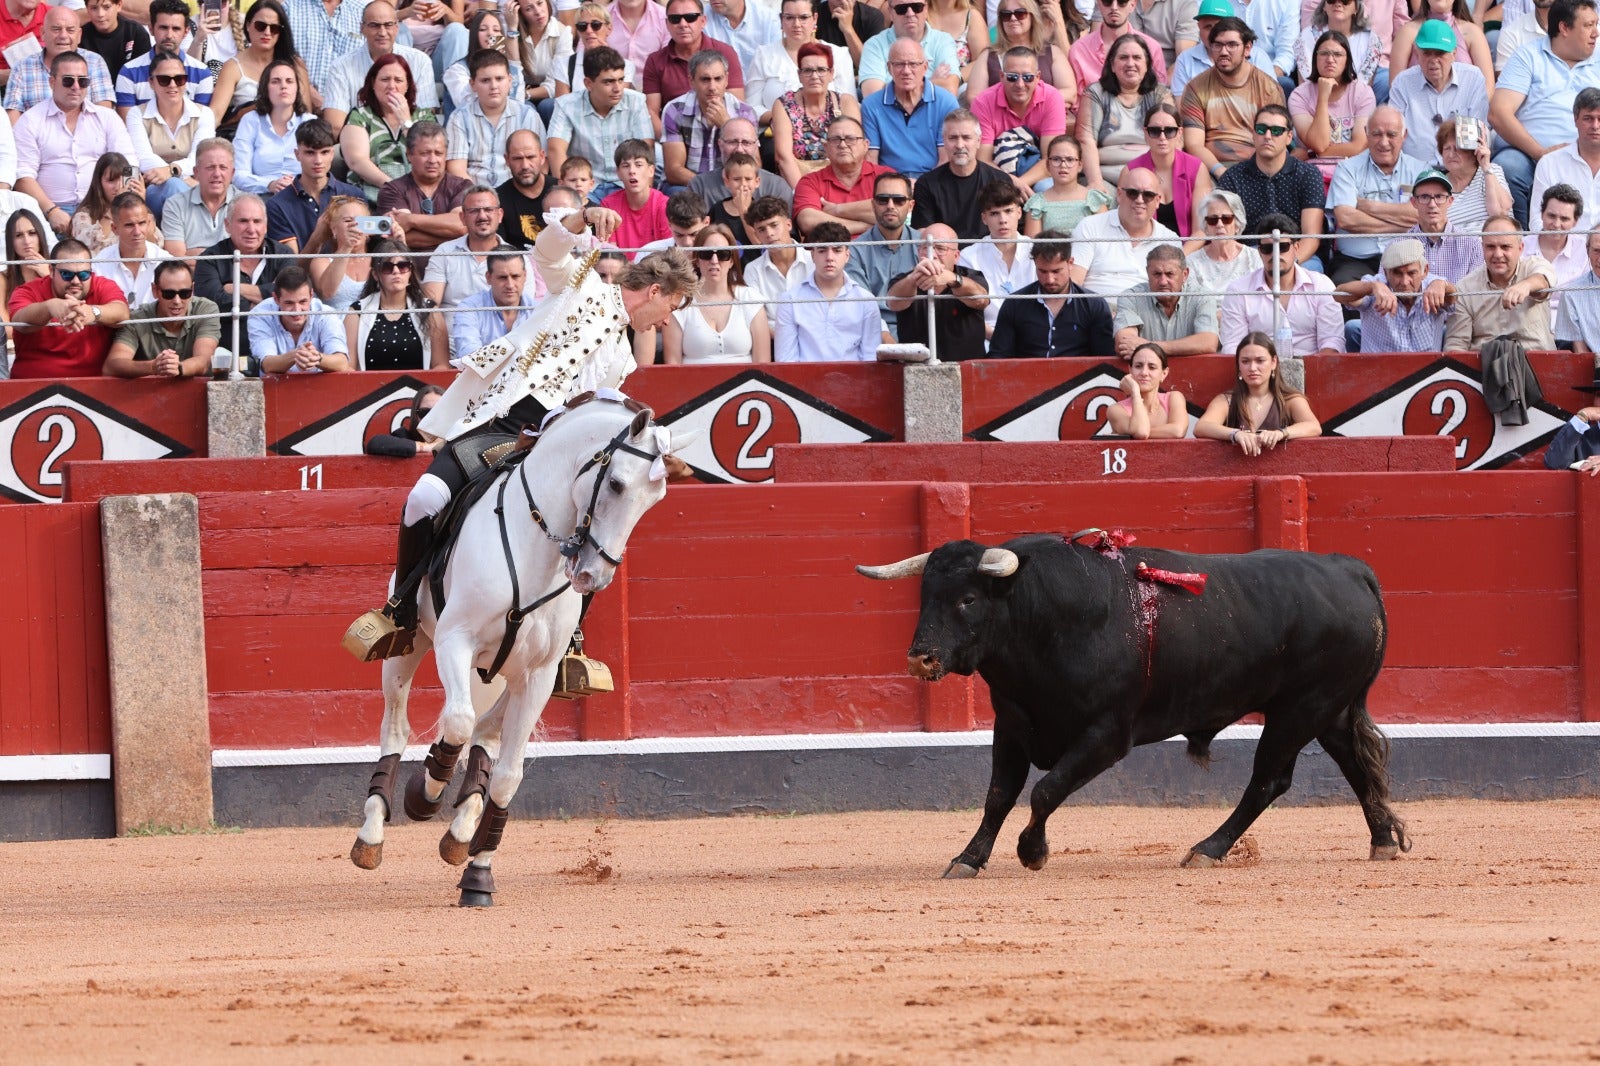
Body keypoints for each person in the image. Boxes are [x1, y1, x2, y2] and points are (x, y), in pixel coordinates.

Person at [362, 206, 698, 658]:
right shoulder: (583, 287)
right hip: (498, 424)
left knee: (601, 527)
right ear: (656, 291)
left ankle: (569, 646)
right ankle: (400, 609)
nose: (664, 323)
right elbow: (548, 250)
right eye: (669, 309)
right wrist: (582, 216)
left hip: (553, 454)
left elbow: (605, 422)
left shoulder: (624, 357)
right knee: (425, 498)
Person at [1490, 0, 1600, 226]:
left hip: (1592, 151)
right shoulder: (1528, 57)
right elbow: (1499, 113)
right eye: (1588, 25)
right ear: (1564, 28)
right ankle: (1522, 243)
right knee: (1508, 166)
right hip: (1532, 155)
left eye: (1596, 24)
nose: (1596, 33)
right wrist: (1541, 153)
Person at [15, 53, 137, 235]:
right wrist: (52, 211)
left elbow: (130, 165)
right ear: (51, 82)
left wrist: (120, 204)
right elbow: (23, 176)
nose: (76, 87)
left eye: (83, 81)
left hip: (103, 209)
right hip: (50, 213)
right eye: (68, 81)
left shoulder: (107, 117)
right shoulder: (30, 121)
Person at [1216, 104, 1325, 272]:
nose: (1267, 136)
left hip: (1296, 253)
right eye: (1261, 129)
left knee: (1313, 274)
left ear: (1289, 137)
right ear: (1253, 134)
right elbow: (1227, 236)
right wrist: (1261, 266)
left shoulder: (1308, 174)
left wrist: (1285, 265)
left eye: (1276, 131)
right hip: (1248, 256)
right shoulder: (1232, 177)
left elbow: (1312, 236)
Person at [1219, 213, 1345, 356]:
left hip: (1313, 371)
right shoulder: (1238, 291)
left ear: (1296, 247)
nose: (1275, 254)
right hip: (1259, 374)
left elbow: (1332, 342)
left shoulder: (1321, 285)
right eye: (1267, 249)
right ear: (1259, 252)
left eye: (1283, 247)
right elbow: (1233, 347)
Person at [1325, 104, 1424, 284]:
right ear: (1366, 133)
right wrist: (1403, 225)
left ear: (1404, 135)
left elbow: (1421, 216)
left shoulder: (1421, 170)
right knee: (1345, 288)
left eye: (1391, 134)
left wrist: (1367, 206)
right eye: (1377, 134)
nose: (1383, 142)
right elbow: (1347, 219)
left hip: (1407, 261)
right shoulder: (1347, 169)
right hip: (1355, 260)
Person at [7, 238, 131, 378]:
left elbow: (122, 312)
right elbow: (19, 321)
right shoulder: (27, 291)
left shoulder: (102, 285)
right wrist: (49, 307)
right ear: (51, 271)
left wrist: (93, 312)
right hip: (34, 387)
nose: (76, 281)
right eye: (67, 274)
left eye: (84, 274)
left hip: (93, 387)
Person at [1180, 17, 1284, 182]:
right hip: (1211, 168)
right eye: (1217, 45)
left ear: (1248, 48)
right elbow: (1194, 144)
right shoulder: (1196, 88)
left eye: (1232, 45)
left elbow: (1275, 139)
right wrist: (1221, 172)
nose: (1223, 51)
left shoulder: (1268, 88)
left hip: (1259, 167)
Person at [546, 46, 655, 202]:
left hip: (626, 185)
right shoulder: (566, 105)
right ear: (588, 84)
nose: (618, 88)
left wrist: (643, 199)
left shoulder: (636, 102)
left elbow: (646, 152)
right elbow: (556, 150)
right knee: (584, 220)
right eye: (608, 82)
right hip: (585, 188)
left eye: (620, 80)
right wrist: (568, 199)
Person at [193, 193, 285, 370]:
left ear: (265, 226)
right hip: (226, 351)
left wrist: (233, 289)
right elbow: (213, 304)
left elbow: (289, 296)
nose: (251, 229)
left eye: (257, 221)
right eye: (243, 221)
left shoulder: (283, 255)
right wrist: (268, 299)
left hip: (276, 350)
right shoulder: (209, 259)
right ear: (227, 225)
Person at [989, 229, 1116, 357]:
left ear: (1070, 263)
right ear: (1035, 264)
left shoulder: (1094, 305)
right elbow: (998, 356)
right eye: (1043, 271)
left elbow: (1104, 359)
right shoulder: (1014, 304)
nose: (1050, 279)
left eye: (1056, 271)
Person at [125, 49, 217, 223]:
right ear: (151, 82)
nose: (173, 85)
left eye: (179, 79)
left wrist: (171, 170)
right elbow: (143, 158)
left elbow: (201, 159)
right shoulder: (136, 114)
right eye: (164, 80)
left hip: (196, 188)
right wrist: (180, 176)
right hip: (155, 189)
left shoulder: (204, 114)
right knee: (174, 185)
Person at [1443, 214, 1558, 350]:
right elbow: (1457, 344)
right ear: (1483, 248)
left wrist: (1526, 286)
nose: (1498, 254)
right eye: (1491, 247)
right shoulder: (1465, 288)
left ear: (1520, 248)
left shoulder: (1534, 266)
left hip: (1536, 362)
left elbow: (1544, 280)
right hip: (1485, 365)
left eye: (1505, 247)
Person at [1194, 331, 1322, 453]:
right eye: (1245, 361)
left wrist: (1281, 433)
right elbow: (1202, 427)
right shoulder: (1227, 400)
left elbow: (1314, 426)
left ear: (1273, 362)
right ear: (1238, 366)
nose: (1252, 368)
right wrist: (1235, 434)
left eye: (1260, 361)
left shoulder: (1289, 400)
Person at [776, 219, 885, 360]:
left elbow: (870, 357)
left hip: (854, 380)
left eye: (837, 250)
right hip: (804, 381)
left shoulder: (866, 301)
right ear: (812, 255)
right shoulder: (789, 300)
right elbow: (786, 360)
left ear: (847, 255)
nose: (829, 258)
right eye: (822, 250)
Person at [322, 1, 440, 132]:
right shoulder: (341, 66)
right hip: (359, 146)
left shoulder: (419, 61)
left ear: (397, 27)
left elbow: (426, 124)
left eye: (388, 25)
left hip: (408, 145)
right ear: (362, 28)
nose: (382, 32)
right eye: (374, 26)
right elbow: (335, 125)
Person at [663, 223, 772, 362]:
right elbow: (673, 365)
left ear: (732, 260)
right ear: (697, 260)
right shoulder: (680, 303)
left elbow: (763, 365)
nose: (714, 261)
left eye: (722, 254)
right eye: (707, 254)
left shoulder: (751, 299)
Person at [1079, 35, 1175, 191]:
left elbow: (1173, 140)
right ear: (1112, 65)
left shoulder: (1160, 94)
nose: (1130, 63)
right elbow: (1086, 140)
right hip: (1106, 177)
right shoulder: (1096, 93)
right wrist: (1095, 182)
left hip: (1151, 176)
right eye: (1123, 57)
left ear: (1147, 64)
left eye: (1137, 57)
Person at [1069, 165, 1182, 297]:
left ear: (1157, 201)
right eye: (1132, 193)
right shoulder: (1089, 226)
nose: (1140, 200)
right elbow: (1074, 281)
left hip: (1145, 313)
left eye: (1148, 195)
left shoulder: (1170, 240)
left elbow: (1171, 295)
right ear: (1119, 195)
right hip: (1096, 311)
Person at [209, 0, 314, 139]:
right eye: (260, 26)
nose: (267, 32)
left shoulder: (296, 65)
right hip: (244, 139)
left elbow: (305, 113)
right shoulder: (232, 67)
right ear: (247, 26)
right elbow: (215, 115)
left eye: (274, 28)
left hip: (290, 139)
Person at [1388, 19, 1488, 163]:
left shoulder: (1472, 79)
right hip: (1415, 173)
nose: (1433, 60)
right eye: (1427, 53)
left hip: (1460, 171)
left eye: (1440, 53)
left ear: (1454, 53)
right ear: (1417, 53)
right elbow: (1393, 134)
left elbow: (1477, 140)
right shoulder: (1403, 83)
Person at [884, 221, 988, 358]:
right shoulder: (905, 280)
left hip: (967, 368)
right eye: (925, 248)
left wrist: (953, 280)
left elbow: (981, 300)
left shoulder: (972, 276)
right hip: (917, 369)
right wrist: (913, 279)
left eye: (940, 248)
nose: (931, 255)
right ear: (918, 251)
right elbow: (893, 303)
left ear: (956, 256)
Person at [445, 50, 548, 188]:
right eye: (485, 80)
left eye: (499, 79)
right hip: (473, 195)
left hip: (518, 192)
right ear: (473, 84)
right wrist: (481, 197)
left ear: (510, 81)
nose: (494, 86)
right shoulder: (459, 118)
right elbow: (456, 169)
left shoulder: (527, 115)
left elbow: (541, 163)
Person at [344, 56, 439, 205]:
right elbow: (357, 161)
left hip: (418, 193)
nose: (392, 86)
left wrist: (406, 123)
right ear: (373, 83)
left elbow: (430, 155)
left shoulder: (424, 116)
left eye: (398, 80)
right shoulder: (360, 116)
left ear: (407, 85)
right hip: (369, 194)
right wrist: (393, 187)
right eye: (385, 79)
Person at [973, 46, 1068, 196]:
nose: (1020, 84)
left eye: (1027, 77)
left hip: (1039, 173)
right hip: (997, 173)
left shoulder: (1052, 97)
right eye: (1012, 77)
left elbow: (1051, 158)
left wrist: (1020, 184)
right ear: (1001, 76)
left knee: (1047, 189)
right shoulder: (983, 102)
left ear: (1038, 77)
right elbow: (983, 160)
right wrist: (1012, 183)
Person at [377, 120, 473, 266]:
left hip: (457, 267)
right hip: (408, 271)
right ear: (409, 154)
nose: (433, 160)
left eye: (438, 153)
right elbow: (400, 237)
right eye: (425, 153)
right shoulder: (392, 189)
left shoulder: (463, 186)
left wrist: (410, 220)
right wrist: (454, 235)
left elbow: (462, 226)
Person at [103, 259, 221, 377]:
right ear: (155, 290)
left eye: (185, 293)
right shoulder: (137, 319)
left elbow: (204, 360)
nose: (177, 301)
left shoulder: (206, 309)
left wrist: (178, 368)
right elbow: (112, 366)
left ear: (193, 289)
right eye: (168, 294)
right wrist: (153, 366)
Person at [1333, 236, 1453, 351]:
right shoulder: (1376, 285)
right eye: (1397, 273)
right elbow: (1338, 294)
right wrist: (1371, 287)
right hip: (1380, 369)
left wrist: (1443, 285)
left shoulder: (1434, 285)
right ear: (1385, 273)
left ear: (1425, 271)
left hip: (1428, 370)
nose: (1405, 282)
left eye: (1411, 273)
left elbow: (1454, 298)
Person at [344, 238, 448, 369]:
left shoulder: (429, 310)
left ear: (410, 272)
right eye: (387, 267)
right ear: (375, 274)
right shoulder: (356, 312)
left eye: (403, 266)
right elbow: (349, 368)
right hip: (369, 389)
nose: (396, 272)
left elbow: (441, 365)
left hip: (421, 388)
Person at [1288, 30, 1375, 187]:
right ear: (1315, 58)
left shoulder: (1362, 93)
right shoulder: (1299, 95)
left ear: (1347, 59)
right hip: (1311, 175)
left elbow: (1359, 146)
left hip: (1354, 172)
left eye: (1337, 54)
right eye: (1324, 53)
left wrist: (1311, 152)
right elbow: (1319, 142)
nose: (1330, 59)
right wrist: (1322, 97)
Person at [860, 39, 957, 180]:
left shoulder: (946, 102)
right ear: (889, 68)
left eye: (913, 64)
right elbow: (871, 160)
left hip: (934, 181)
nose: (906, 71)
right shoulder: (871, 105)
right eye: (899, 64)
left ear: (925, 67)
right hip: (889, 183)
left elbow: (946, 159)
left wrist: (923, 187)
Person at [661, 50, 760, 188]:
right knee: (676, 195)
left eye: (718, 79)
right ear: (691, 81)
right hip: (689, 185)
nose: (712, 87)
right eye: (705, 80)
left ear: (726, 79)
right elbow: (674, 170)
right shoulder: (675, 110)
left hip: (731, 185)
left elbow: (754, 165)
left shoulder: (745, 113)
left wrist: (726, 125)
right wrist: (709, 188)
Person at [746, 0, 855, 124]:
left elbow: (848, 104)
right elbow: (752, 107)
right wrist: (784, 119)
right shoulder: (764, 55)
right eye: (789, 17)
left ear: (815, 18)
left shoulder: (838, 55)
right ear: (781, 19)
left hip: (830, 133)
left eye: (803, 17)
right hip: (774, 132)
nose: (796, 24)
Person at [265, 119, 365, 253]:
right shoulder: (277, 206)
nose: (318, 161)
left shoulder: (355, 196)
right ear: (297, 154)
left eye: (324, 152)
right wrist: (317, 238)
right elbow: (291, 269)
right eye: (310, 153)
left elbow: (363, 253)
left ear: (332, 153)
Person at [911, 107, 1011, 239]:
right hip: (945, 253)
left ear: (978, 141)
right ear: (944, 142)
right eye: (953, 138)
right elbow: (924, 232)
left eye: (966, 137)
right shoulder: (927, 184)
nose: (959, 145)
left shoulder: (1000, 180)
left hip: (990, 253)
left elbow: (1008, 229)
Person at [770, 40, 860, 188]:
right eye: (807, 70)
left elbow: (854, 150)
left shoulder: (845, 103)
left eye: (821, 70)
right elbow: (783, 157)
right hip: (798, 182)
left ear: (831, 74)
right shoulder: (783, 105)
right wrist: (805, 194)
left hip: (842, 181)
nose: (814, 76)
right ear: (799, 75)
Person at [4, 6, 117, 119]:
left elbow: (104, 115)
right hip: (34, 136)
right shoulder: (22, 68)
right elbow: (13, 120)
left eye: (70, 30)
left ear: (79, 35)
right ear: (43, 33)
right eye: (56, 29)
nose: (63, 36)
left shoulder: (94, 62)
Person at [643, 0, 747, 121]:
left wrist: (725, 130)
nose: (683, 24)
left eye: (690, 17)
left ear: (703, 21)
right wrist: (671, 136)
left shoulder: (725, 53)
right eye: (675, 19)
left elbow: (737, 107)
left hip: (721, 131)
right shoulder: (655, 60)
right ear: (667, 24)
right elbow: (651, 113)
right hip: (670, 132)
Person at [846, 172, 920, 337]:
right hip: (870, 332)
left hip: (920, 328)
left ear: (911, 206)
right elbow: (862, 308)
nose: (890, 205)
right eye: (883, 200)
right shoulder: (855, 250)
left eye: (899, 200)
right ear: (873, 205)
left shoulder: (924, 245)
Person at [424, 183, 525, 305]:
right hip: (452, 323)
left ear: (500, 215)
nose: (482, 216)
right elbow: (429, 306)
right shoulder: (444, 252)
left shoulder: (518, 258)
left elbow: (523, 310)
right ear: (462, 217)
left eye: (488, 209)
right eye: (474, 211)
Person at [1113, 243, 1220, 357]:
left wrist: (1150, 346)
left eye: (1170, 274)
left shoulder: (1202, 297)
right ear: (1148, 273)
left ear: (1185, 274)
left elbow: (1208, 342)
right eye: (1157, 274)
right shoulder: (1131, 298)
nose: (1163, 281)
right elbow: (1124, 344)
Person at [958, 179, 1035, 338]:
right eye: (994, 213)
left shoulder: (1036, 251)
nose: (1002, 220)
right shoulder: (969, 257)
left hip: (1035, 338)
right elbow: (967, 313)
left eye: (1008, 211)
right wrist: (998, 338)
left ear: (1019, 213)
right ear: (984, 218)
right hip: (987, 341)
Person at [113, 0, 216, 114]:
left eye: (176, 29)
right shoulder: (129, 72)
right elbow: (128, 125)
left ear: (186, 31)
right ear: (151, 29)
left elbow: (200, 123)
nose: (169, 35)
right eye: (163, 28)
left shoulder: (202, 73)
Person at [967, 0, 1076, 106]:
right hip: (1000, 121)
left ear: (1032, 17)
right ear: (1000, 22)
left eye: (1020, 13)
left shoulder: (1052, 52)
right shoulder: (988, 55)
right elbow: (974, 97)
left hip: (1043, 121)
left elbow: (1070, 92)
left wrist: (1035, 103)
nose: (1013, 18)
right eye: (1006, 15)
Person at [793, 115, 889, 236]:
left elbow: (894, 212)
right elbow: (808, 221)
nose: (843, 145)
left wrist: (837, 210)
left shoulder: (885, 176)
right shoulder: (810, 181)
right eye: (835, 139)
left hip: (878, 251)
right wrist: (865, 226)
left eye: (850, 139)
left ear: (866, 145)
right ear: (826, 148)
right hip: (830, 253)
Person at [1124, 101, 1207, 237]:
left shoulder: (1197, 169)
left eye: (1169, 131)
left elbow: (1201, 231)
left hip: (1187, 252)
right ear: (1145, 133)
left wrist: (1179, 257)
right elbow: (1128, 228)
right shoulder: (1131, 171)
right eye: (1155, 131)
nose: (1162, 137)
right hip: (1144, 252)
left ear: (1180, 132)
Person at [250, 265, 353, 373]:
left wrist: (317, 358)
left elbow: (342, 363)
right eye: (289, 303)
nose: (297, 310)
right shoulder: (260, 314)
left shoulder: (326, 314)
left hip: (321, 386)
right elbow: (267, 364)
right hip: (275, 387)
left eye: (303, 301)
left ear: (311, 295)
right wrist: (298, 354)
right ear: (276, 299)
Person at [231, 59, 312, 196]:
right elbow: (238, 174)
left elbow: (320, 169)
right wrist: (269, 185)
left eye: (289, 81)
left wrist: (299, 183)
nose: (283, 86)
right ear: (265, 88)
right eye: (275, 81)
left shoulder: (309, 121)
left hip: (303, 195)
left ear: (297, 88)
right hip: (261, 195)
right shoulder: (250, 120)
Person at [448, 247, 543, 360]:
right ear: (488, 278)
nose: (510, 285)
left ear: (525, 276)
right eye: (502, 278)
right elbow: (469, 354)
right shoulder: (469, 308)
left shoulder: (539, 310)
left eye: (515, 276)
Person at [1169, 0, 1278, 98]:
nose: (1213, 33)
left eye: (1219, 26)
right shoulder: (1185, 59)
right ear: (1199, 28)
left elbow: (1272, 101)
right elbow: (1182, 108)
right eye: (1208, 27)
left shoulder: (1258, 57)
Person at [855, 0, 961, 98]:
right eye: (901, 9)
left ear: (926, 10)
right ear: (891, 13)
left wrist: (891, 88)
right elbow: (873, 96)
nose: (910, 14)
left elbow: (950, 89)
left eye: (917, 7)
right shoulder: (874, 45)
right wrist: (931, 83)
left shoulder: (943, 40)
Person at [1532, 86, 1600, 232]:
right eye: (1588, 118)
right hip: (1561, 249)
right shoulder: (1550, 163)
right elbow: (1537, 222)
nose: (1595, 126)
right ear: (1575, 119)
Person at [1390, 0, 1495, 93]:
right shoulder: (1407, 32)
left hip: (1463, 112)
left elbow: (1488, 87)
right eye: (1426, 52)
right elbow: (1395, 87)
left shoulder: (1473, 33)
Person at [688, 118, 794, 210]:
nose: (739, 149)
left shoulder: (776, 187)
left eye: (746, 142)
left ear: (756, 145)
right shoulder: (699, 186)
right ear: (720, 144)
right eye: (732, 142)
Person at [1068, 0, 1169, 96]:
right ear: (1099, 3)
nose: (1114, 7)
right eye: (1107, 1)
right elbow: (1075, 103)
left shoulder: (1152, 48)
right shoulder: (1079, 50)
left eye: (1122, 1)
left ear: (1132, 5)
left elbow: (1159, 96)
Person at [161, 139, 238, 258]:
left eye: (223, 167)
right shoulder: (175, 205)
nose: (217, 174)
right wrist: (228, 256)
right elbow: (177, 260)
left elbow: (249, 258)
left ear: (232, 173)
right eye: (210, 167)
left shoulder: (248, 205)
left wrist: (196, 254)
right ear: (196, 172)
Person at [1024, 135, 1114, 235]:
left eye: (1070, 160)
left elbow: (1104, 241)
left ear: (1080, 165)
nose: (1063, 165)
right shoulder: (1037, 204)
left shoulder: (1094, 199)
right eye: (1056, 159)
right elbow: (1033, 245)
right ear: (1048, 165)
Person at [1294, 0, 1385, 98]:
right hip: (1314, 100)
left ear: (1356, 8)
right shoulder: (1307, 36)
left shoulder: (1370, 41)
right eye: (1331, 0)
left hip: (1355, 102)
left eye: (1345, 1)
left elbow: (1365, 88)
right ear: (1324, 6)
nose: (1338, 4)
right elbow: (1305, 86)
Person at [91, 192, 171, 305]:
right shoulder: (99, 265)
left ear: (149, 223)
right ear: (114, 228)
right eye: (129, 225)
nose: (137, 232)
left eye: (142, 223)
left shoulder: (166, 261)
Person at [1436, 117, 1512, 235]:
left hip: (1492, 244)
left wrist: (1486, 167)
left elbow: (1500, 213)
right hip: (1453, 248)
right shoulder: (1437, 184)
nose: (1451, 154)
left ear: (1475, 151)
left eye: (1457, 149)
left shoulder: (1490, 171)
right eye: (1446, 148)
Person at [743, 192, 813, 319]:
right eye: (761, 229)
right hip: (774, 337)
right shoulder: (752, 270)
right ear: (756, 235)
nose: (769, 233)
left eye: (774, 225)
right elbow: (757, 321)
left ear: (788, 225)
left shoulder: (814, 261)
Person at [1525, 183, 1587, 321]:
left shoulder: (1586, 250)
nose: (1557, 224)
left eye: (1564, 218)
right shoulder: (1522, 247)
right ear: (1541, 214)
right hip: (1528, 323)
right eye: (1551, 216)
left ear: (1575, 222)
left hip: (1572, 324)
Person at [444, 12, 527, 113]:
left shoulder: (508, 68)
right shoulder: (457, 70)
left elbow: (518, 102)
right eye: (483, 29)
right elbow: (465, 104)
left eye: (496, 30)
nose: (491, 34)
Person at [71, 153, 153, 255]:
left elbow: (156, 244)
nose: (118, 186)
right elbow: (95, 247)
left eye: (123, 180)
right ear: (99, 183)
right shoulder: (84, 215)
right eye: (111, 180)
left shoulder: (140, 212)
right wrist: (116, 206)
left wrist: (141, 206)